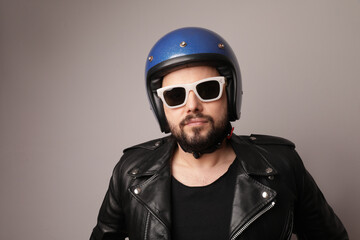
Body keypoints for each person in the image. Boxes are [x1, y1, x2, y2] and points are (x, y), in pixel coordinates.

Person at [90, 27, 348, 240]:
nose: (192, 105)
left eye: (208, 89)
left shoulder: (281, 166)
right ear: (161, 107)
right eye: (175, 95)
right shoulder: (130, 173)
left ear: (230, 95)